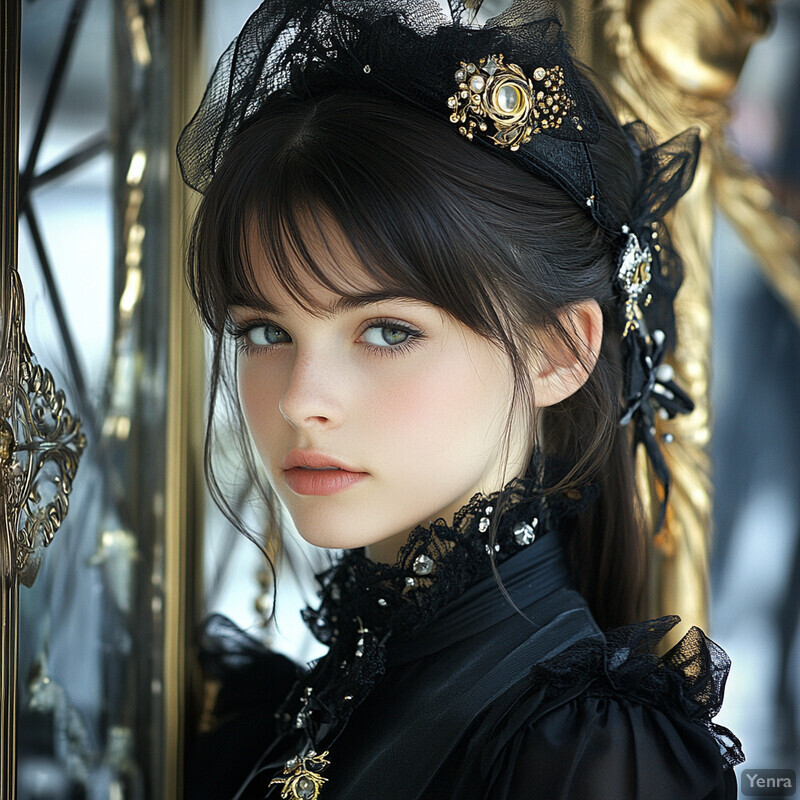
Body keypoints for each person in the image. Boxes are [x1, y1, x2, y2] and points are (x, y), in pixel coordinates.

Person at [177, 0, 745, 797]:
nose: (302, 401)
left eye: (387, 332)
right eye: (267, 333)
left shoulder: (589, 756)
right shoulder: (303, 707)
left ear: (558, 351)